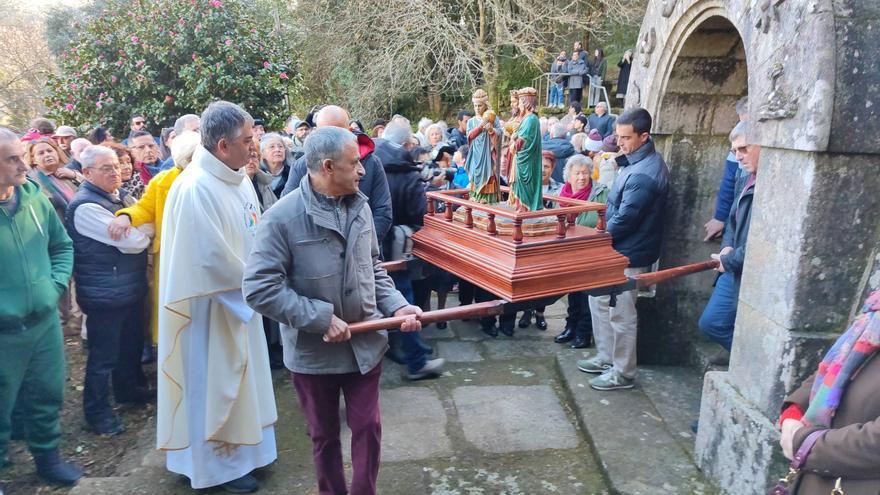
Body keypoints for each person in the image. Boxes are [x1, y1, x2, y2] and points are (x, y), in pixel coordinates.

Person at [243, 126, 423, 495]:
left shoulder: (362, 207)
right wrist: (319, 317)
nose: (362, 170)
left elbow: (373, 269)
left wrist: (399, 307)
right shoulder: (281, 218)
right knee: (324, 437)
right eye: (355, 163)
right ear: (327, 166)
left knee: (368, 429)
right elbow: (259, 288)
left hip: (366, 346)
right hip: (314, 356)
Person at [156, 103, 277, 493]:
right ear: (222, 145)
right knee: (214, 385)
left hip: (245, 300)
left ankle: (251, 454)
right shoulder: (193, 188)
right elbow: (207, 260)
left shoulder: (238, 177)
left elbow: (252, 229)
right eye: (247, 141)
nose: (254, 147)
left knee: (249, 380)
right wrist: (261, 285)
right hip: (211, 312)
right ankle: (218, 467)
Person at [0, 127, 83, 486]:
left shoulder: (33, 196)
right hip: (4, 334)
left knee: (48, 393)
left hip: (44, 323)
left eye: (22, 156)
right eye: (13, 159)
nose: (24, 164)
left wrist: (52, 288)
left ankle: (47, 459)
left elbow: (61, 247)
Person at [578, 108, 668, 391]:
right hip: (618, 248)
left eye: (626, 137)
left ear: (644, 136)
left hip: (629, 252)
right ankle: (607, 356)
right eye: (617, 136)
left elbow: (627, 218)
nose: (619, 143)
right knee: (599, 301)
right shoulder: (634, 163)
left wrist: (598, 239)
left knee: (621, 313)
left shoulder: (645, 172)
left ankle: (624, 371)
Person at [65, 145, 151, 435]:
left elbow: (145, 222)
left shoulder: (120, 196)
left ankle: (130, 392)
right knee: (103, 357)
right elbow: (136, 241)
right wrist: (143, 228)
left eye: (116, 165)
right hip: (105, 294)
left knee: (130, 347)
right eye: (106, 168)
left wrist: (141, 225)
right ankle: (97, 412)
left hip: (129, 287)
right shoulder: (86, 207)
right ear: (86, 173)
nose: (115, 172)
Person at [775, 290, 880, 495]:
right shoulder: (875, 311)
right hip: (817, 475)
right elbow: (836, 366)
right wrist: (792, 412)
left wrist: (804, 444)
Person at [110, 131, 201, 351]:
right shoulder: (163, 181)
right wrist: (126, 216)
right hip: (172, 255)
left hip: (201, 255)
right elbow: (145, 207)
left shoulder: (210, 180)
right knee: (175, 308)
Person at [373, 120, 446, 379]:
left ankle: (400, 346)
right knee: (402, 297)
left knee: (385, 296)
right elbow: (417, 211)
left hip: (369, 239)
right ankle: (416, 361)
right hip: (395, 243)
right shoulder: (406, 172)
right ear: (407, 144)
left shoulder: (369, 161)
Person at [280, 105, 393, 245]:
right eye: (325, 132)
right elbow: (289, 215)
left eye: (338, 131)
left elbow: (382, 212)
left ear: (350, 131)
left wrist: (359, 248)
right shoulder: (302, 166)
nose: (331, 139)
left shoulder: (371, 163)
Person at [698, 121, 759, 361]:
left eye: (744, 148)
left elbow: (762, 244)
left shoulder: (773, 186)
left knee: (714, 322)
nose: (739, 156)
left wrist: (730, 258)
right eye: (734, 151)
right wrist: (728, 247)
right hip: (733, 264)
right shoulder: (745, 178)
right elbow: (733, 219)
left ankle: (750, 368)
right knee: (712, 323)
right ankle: (745, 364)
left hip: (742, 267)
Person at [554, 154, 610, 349]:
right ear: (568, 175)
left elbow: (607, 220)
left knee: (587, 294)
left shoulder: (600, 193)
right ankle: (570, 327)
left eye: (585, 173)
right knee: (573, 292)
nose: (581, 178)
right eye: (577, 173)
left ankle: (583, 332)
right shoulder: (560, 194)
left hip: (590, 251)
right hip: (568, 251)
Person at [703, 97, 749, 241]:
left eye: (748, 124)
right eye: (742, 123)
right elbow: (730, 181)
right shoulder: (738, 148)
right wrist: (721, 217)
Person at [507, 87, 543, 212]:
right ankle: (520, 207)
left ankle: (525, 208)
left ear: (527, 103)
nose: (519, 105)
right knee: (519, 184)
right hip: (521, 159)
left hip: (526, 160)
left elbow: (524, 140)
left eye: (521, 102)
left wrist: (513, 145)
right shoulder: (526, 119)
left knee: (525, 185)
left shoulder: (531, 119)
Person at [464, 89, 503, 204]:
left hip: (488, 152)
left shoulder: (493, 118)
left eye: (480, 106)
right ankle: (476, 195)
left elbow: (500, 132)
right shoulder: (471, 121)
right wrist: (480, 127)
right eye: (475, 106)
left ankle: (487, 197)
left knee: (489, 172)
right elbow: (469, 136)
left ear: (485, 105)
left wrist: (491, 130)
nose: (477, 108)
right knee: (475, 173)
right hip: (476, 152)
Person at [26, 138, 81, 218]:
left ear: (57, 153)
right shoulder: (33, 183)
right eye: (41, 153)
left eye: (49, 151)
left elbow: (90, 188)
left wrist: (74, 175)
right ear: (33, 160)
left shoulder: (67, 171)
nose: (47, 155)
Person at [245, 145, 278, 212]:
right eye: (246, 157)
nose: (250, 161)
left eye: (253, 157)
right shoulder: (238, 186)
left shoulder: (264, 182)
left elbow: (277, 209)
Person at [259, 133, 293, 198]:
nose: (277, 150)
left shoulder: (293, 173)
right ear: (262, 153)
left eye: (280, 146)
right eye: (272, 147)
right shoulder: (258, 176)